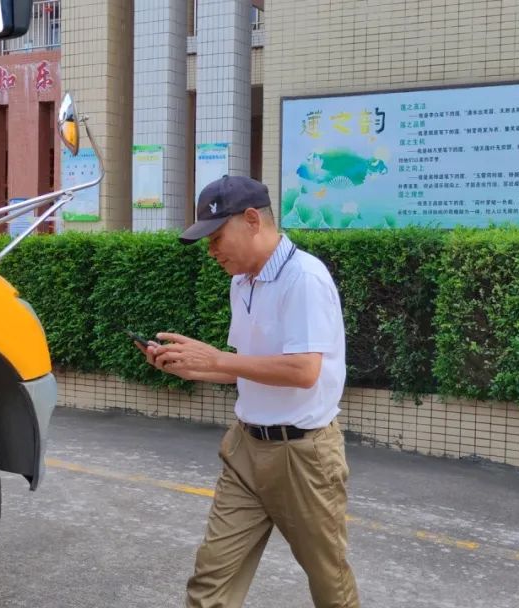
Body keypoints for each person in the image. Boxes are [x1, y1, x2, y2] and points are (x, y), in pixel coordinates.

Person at [139, 175, 359, 607]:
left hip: (304, 457)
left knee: (329, 584)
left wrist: (216, 359)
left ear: (253, 220)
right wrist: (192, 369)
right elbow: (250, 368)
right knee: (210, 584)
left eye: (217, 236)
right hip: (245, 449)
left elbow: (303, 370)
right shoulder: (242, 282)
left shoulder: (305, 278)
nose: (212, 250)